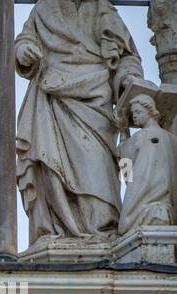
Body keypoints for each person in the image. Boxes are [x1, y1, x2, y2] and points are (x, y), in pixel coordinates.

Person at [15, 0, 144, 242]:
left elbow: (128, 57)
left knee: (98, 170)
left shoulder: (104, 11)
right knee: (52, 165)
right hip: (53, 95)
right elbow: (25, 39)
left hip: (97, 105)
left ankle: (102, 229)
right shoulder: (44, 8)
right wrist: (23, 51)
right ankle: (57, 229)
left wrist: (128, 78)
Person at [119, 93, 177, 233]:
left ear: (151, 112)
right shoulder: (173, 139)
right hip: (167, 204)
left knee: (124, 228)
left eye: (138, 112)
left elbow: (125, 168)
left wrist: (123, 129)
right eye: (133, 113)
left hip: (139, 204)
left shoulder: (140, 137)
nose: (135, 116)